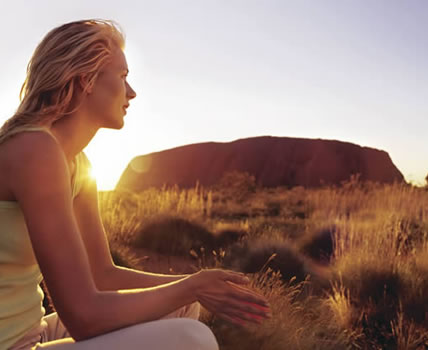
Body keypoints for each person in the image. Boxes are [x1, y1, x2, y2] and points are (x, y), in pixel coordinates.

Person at [0, 20, 270, 349]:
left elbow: (103, 276)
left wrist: (195, 285)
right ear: (86, 79)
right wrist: (193, 286)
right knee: (193, 339)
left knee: (183, 306)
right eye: (123, 76)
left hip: (34, 330)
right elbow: (83, 318)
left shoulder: (78, 164)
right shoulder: (35, 150)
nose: (132, 92)